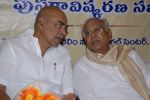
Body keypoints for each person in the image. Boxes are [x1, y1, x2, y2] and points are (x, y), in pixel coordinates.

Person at [0, 6, 74, 100]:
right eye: (59, 25)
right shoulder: (12, 46)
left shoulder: (64, 54)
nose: (63, 32)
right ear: (41, 23)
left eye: (65, 28)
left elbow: (68, 94)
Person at [74, 18, 150, 100]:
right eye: (87, 33)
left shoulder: (129, 54)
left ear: (109, 34)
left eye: (97, 30)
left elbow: (148, 82)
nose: (92, 35)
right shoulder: (82, 65)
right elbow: (86, 97)